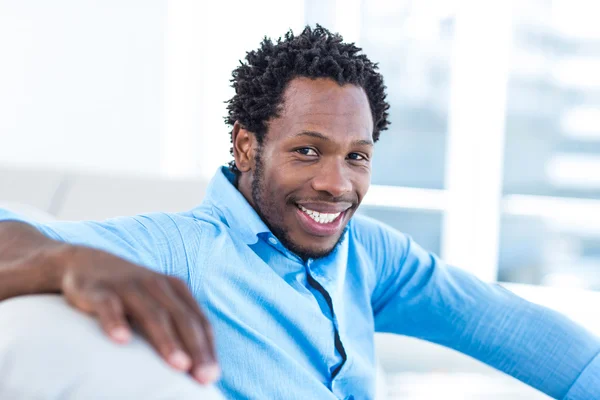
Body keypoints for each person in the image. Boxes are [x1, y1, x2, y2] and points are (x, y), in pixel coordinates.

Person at [0, 25, 598, 400]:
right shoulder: (182, 249)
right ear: (245, 146)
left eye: (356, 157)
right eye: (307, 151)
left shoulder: (370, 252)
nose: (336, 184)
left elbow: (510, 327)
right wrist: (65, 259)